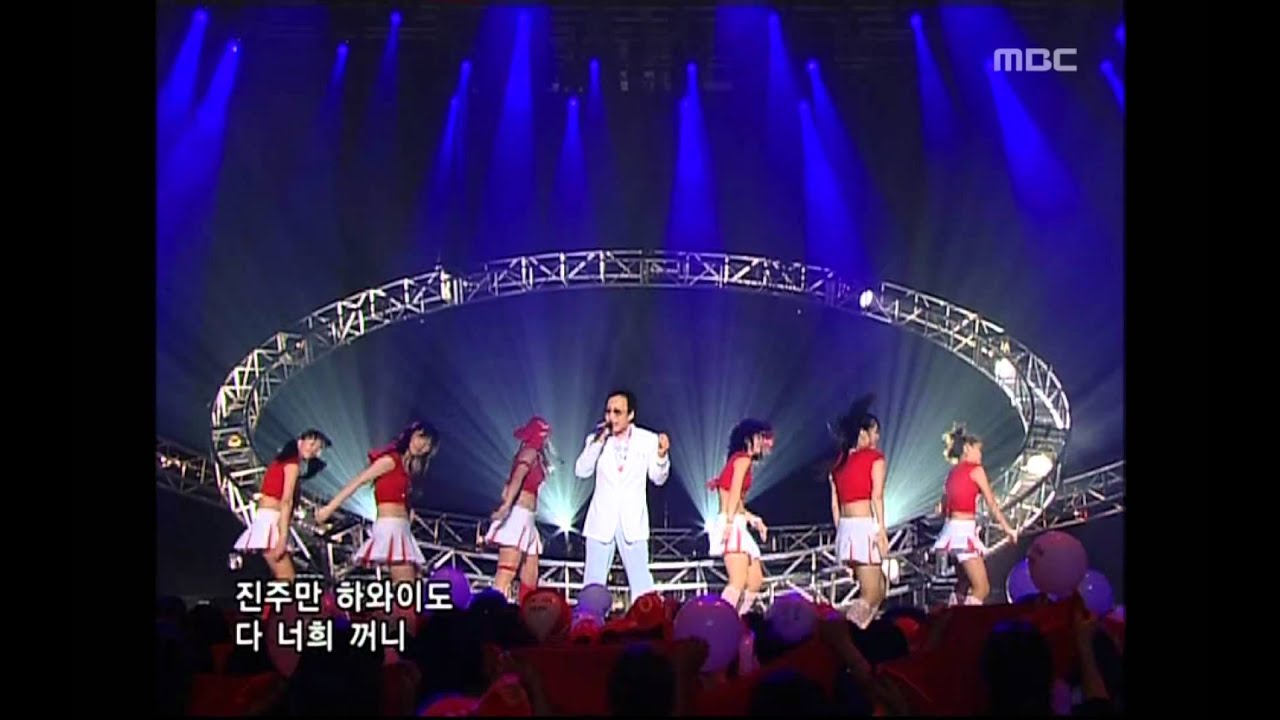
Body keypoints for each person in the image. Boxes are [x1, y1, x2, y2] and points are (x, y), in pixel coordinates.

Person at [574, 390, 671, 602]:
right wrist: (598, 442)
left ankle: (645, 621)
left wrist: (661, 456)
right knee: (592, 584)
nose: (611, 417)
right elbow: (581, 471)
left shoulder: (648, 440)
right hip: (601, 521)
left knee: (642, 586)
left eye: (617, 412)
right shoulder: (596, 440)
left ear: (631, 415)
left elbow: (658, 478)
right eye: (608, 411)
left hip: (633, 521)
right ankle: (589, 619)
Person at [316, 421, 439, 584]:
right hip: (391, 528)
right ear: (411, 434)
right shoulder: (391, 460)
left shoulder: (407, 468)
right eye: (420, 438)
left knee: (412, 584)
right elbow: (359, 481)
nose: (421, 445)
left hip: (402, 529)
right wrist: (329, 508)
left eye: (427, 445)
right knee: (406, 586)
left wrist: (409, 512)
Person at [233, 429, 332, 581]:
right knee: (286, 578)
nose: (313, 450)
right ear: (301, 440)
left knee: (283, 578)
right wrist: (282, 538)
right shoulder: (291, 465)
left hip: (267, 519)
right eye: (311, 444)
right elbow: (286, 501)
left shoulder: (281, 462)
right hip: (272, 521)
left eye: (317, 448)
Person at [934, 424, 1017, 605]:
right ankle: (965, 621)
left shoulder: (951, 474)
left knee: (963, 585)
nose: (980, 455)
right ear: (967, 448)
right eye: (978, 450)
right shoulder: (976, 470)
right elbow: (992, 504)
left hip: (952, 530)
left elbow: (941, 509)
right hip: (963, 533)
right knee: (982, 588)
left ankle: (952, 616)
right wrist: (1008, 529)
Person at [830, 395, 890, 628]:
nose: (877, 437)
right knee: (871, 593)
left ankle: (861, 633)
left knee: (880, 588)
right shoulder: (874, 458)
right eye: (875, 432)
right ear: (863, 433)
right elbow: (877, 496)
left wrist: (842, 536)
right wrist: (881, 530)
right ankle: (845, 634)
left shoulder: (839, 463)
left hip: (846, 528)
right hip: (863, 527)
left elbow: (835, 504)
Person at [707, 419, 775, 615]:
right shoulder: (743, 460)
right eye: (759, 438)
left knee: (755, 581)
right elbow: (735, 492)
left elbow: (735, 499)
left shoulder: (737, 460)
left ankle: (738, 618)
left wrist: (753, 519)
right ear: (748, 439)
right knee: (737, 582)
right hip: (732, 523)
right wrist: (729, 523)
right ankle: (719, 620)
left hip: (736, 521)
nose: (762, 443)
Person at [484, 416, 553, 603]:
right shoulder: (528, 453)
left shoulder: (536, 456)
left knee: (530, 575)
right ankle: (491, 610)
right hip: (518, 516)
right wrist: (506, 506)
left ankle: (525, 613)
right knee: (507, 571)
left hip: (528, 518)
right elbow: (517, 479)